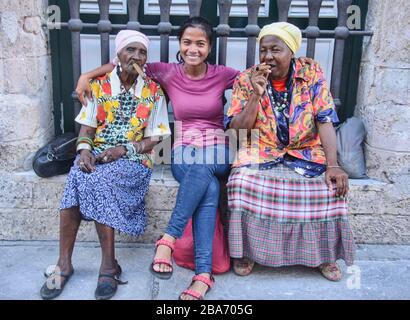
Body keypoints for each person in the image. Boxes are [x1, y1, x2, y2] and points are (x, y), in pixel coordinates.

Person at [75, 17, 313, 300]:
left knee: (205, 168)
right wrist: (86, 76)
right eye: (187, 42)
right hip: (183, 149)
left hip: (221, 146)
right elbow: (121, 64)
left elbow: (257, 74)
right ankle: (203, 274)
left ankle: (168, 238)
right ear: (180, 45)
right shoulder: (167, 72)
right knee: (209, 186)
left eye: (200, 43)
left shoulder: (224, 74)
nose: (193, 49)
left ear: (209, 47)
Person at [39, 30, 171, 300]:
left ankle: (108, 266)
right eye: (130, 50)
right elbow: (86, 129)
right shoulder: (98, 86)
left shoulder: (153, 90)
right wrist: (84, 150)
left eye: (142, 52)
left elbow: (156, 138)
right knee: (78, 173)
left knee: (98, 179)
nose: (136, 56)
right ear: (118, 55)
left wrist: (125, 148)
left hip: (134, 157)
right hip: (97, 153)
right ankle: (65, 263)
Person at [225, 22, 355, 281]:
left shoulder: (311, 72)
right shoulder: (246, 78)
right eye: (263, 50)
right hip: (261, 148)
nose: (268, 57)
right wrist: (255, 94)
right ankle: (246, 251)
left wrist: (333, 164)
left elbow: (325, 118)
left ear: (291, 51)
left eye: (276, 49)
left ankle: (324, 255)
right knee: (239, 183)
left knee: (331, 188)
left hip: (305, 149)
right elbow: (236, 131)